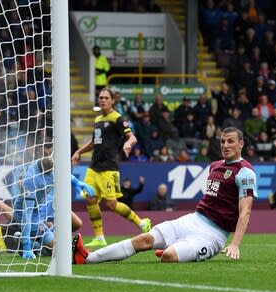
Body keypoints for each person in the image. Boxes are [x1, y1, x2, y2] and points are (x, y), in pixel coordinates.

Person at [73, 127, 257, 264]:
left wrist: (235, 244)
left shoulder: (245, 172)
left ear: (241, 144)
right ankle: (86, 258)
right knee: (144, 240)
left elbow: (245, 211)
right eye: (223, 141)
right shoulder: (215, 165)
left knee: (169, 257)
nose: (225, 145)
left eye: (231, 141)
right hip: (193, 219)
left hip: (213, 235)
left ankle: (173, 249)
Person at [72, 88, 151, 248]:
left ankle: (141, 222)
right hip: (94, 167)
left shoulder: (118, 118)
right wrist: (79, 151)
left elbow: (132, 137)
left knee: (111, 204)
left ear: (112, 100)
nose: (102, 100)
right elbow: (94, 142)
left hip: (109, 168)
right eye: (100, 97)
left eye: (106, 98)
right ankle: (99, 237)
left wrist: (128, 144)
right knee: (91, 199)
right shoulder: (98, 119)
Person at [92, 45, 110, 111]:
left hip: (101, 80)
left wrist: (100, 71)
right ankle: (96, 107)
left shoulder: (103, 58)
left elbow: (107, 68)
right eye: (95, 50)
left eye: (97, 50)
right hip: (93, 80)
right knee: (95, 94)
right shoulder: (92, 57)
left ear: (99, 50)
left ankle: (102, 107)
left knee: (101, 94)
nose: (96, 51)